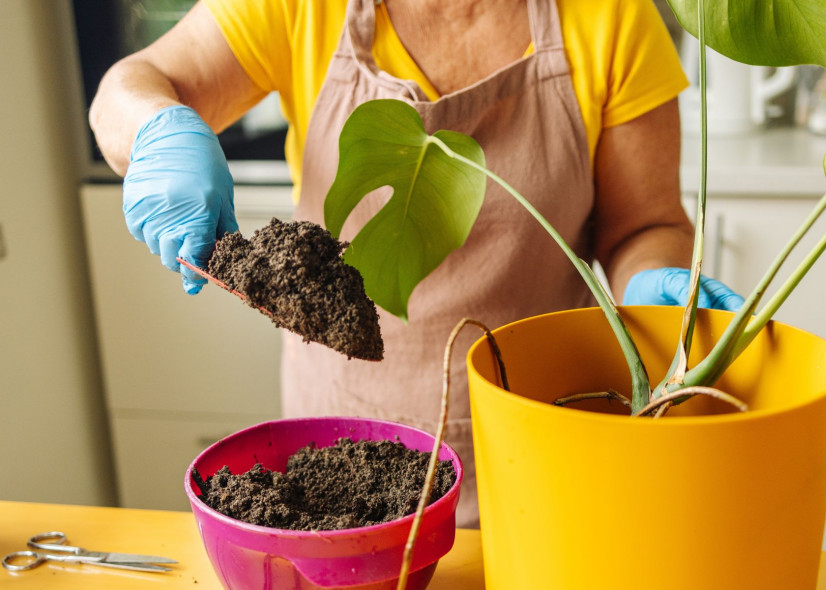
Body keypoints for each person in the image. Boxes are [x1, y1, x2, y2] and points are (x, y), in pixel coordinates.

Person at [89, 0, 744, 527]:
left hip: (540, 455)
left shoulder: (612, 17)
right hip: (339, 471)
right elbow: (129, 86)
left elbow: (646, 224)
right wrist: (155, 131)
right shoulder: (297, 7)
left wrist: (653, 289)